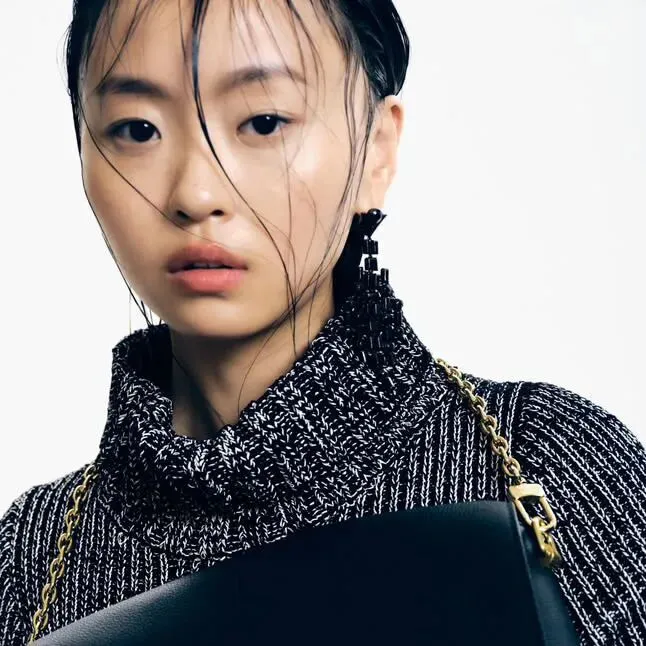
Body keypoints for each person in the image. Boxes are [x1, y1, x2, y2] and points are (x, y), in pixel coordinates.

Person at [1, 1, 645, 644]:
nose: (196, 193)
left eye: (263, 122)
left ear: (376, 150)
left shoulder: (550, 461)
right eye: (137, 129)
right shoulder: (33, 556)